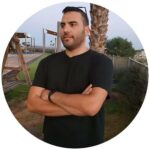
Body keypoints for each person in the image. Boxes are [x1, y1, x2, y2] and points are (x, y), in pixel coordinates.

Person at [27, 6, 113, 148]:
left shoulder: (101, 63)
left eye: (72, 24)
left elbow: (91, 107)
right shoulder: (47, 63)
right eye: (63, 25)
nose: (65, 30)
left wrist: (50, 95)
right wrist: (79, 105)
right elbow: (32, 104)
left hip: (89, 142)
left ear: (87, 31)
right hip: (51, 140)